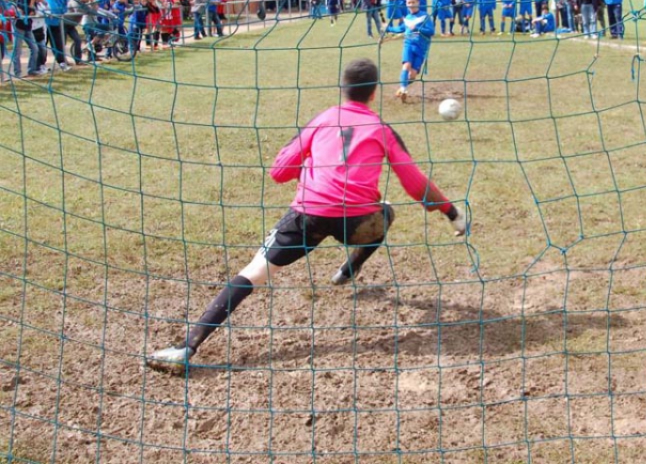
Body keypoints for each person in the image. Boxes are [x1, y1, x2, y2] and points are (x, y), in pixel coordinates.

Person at [146, 58, 468, 374]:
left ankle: (187, 347)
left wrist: (312, 164)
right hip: (356, 222)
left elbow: (278, 172)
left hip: (309, 215)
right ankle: (350, 269)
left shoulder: (322, 120)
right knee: (384, 214)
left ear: (343, 89)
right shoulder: (382, 129)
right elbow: (415, 184)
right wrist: (451, 212)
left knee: (254, 272)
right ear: (373, 93)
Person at [382, 0, 435, 102]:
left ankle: (402, 87)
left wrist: (416, 28)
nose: (411, 4)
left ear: (418, 3)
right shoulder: (407, 17)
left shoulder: (425, 16)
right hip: (408, 45)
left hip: (421, 48)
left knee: (413, 75)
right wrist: (388, 28)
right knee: (406, 65)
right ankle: (403, 89)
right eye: (408, 3)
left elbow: (431, 31)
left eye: (413, 2)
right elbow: (400, 29)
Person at [11, 0, 41, 78]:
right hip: (19, 26)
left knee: (35, 48)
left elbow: (32, 12)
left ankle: (31, 70)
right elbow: (23, 12)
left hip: (28, 27)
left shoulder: (33, 1)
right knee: (17, 50)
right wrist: (29, 10)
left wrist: (32, 2)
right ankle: (17, 73)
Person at [44, 0, 72, 72]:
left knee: (58, 44)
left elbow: (65, 9)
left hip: (56, 23)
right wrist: (62, 8)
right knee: (43, 45)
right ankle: (40, 66)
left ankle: (62, 63)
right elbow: (54, 9)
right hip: (46, 24)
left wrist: (62, 8)